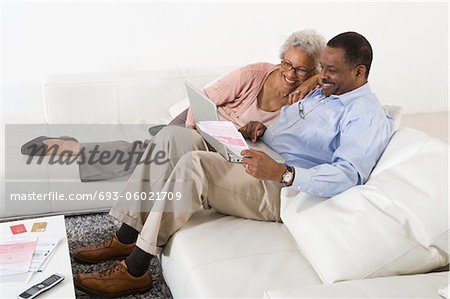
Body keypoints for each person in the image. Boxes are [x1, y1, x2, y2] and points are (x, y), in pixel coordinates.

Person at [73, 31, 394, 297]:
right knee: (172, 138)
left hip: (281, 188)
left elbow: (348, 174)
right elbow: (298, 130)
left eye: (330, 71)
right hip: (255, 153)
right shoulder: (324, 92)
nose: (322, 76)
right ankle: (126, 235)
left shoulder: (365, 116)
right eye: (321, 68)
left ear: (360, 72)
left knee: (194, 165)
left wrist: (283, 173)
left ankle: (136, 269)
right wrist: (258, 130)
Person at [21, 29, 325, 182]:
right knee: (149, 159)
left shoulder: (306, 97)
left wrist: (315, 80)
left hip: (228, 144)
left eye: (302, 70)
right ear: (280, 59)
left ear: (313, 71)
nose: (291, 74)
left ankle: (76, 147)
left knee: (153, 153)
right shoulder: (254, 74)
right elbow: (204, 97)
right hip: (199, 123)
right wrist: (191, 132)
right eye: (288, 64)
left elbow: (331, 80)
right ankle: (72, 150)